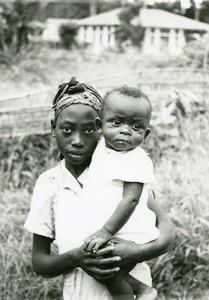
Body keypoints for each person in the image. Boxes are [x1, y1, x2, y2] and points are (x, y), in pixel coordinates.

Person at [24, 77, 175, 300]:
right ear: (53, 128)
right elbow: (40, 264)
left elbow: (168, 233)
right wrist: (77, 258)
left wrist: (136, 251)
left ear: (99, 129)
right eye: (67, 129)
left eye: (87, 131)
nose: (77, 141)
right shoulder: (49, 184)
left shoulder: (120, 173)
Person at [81, 85, 159, 300]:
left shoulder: (136, 159)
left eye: (136, 127)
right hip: (114, 231)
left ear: (146, 133)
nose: (125, 130)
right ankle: (143, 290)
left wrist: (105, 232)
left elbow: (131, 199)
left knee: (108, 272)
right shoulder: (100, 147)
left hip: (129, 234)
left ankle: (141, 292)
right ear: (100, 125)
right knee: (106, 271)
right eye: (117, 123)